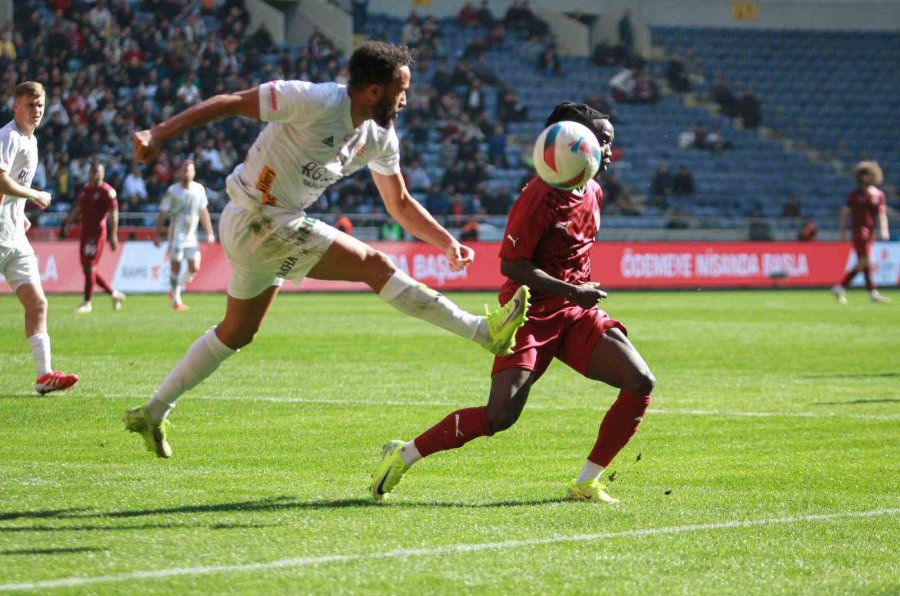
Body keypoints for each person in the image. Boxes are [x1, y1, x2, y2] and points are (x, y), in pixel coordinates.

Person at [124, 41, 529, 458]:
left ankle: (152, 411)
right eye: (400, 89)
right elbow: (230, 102)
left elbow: (400, 203)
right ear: (373, 90)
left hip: (269, 225)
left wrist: (446, 241)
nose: (406, 99)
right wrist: (158, 133)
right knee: (375, 265)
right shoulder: (313, 100)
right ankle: (482, 332)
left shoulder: (379, 136)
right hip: (258, 218)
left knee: (238, 332)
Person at [371, 102, 655, 504]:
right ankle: (404, 453)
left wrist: (576, 295)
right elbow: (512, 265)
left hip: (575, 313)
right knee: (499, 417)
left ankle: (586, 482)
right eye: (604, 142)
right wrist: (573, 290)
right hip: (530, 316)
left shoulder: (594, 190)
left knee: (640, 381)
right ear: (577, 144)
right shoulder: (539, 196)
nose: (610, 151)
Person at [0, 82, 79, 395]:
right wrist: (33, 195)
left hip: (14, 237)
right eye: (30, 104)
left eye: (40, 106)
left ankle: (44, 375)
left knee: (37, 303)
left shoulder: (31, 142)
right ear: (15, 106)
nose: (36, 111)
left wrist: (19, 212)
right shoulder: (9, 137)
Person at [63, 162, 126, 314]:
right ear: (90, 173)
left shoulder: (107, 191)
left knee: (90, 266)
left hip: (97, 233)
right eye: (95, 172)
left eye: (100, 172)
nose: (97, 175)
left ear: (103, 174)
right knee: (87, 268)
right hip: (85, 232)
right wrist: (67, 223)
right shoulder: (86, 189)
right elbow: (78, 208)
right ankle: (114, 294)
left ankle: (87, 302)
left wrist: (113, 235)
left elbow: (114, 214)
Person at [154, 159, 215, 311]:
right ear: (180, 172)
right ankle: (176, 300)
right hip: (177, 236)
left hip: (192, 236)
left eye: (190, 170)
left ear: (194, 172)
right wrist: (158, 234)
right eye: (184, 170)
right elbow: (162, 212)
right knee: (176, 266)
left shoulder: (199, 189)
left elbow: (203, 211)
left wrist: (209, 232)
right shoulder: (173, 191)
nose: (187, 173)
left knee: (194, 267)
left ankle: (176, 289)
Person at [832, 161, 891, 304]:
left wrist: (883, 229)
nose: (869, 177)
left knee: (864, 262)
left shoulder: (878, 194)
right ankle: (855, 288)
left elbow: (881, 214)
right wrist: (842, 232)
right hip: (858, 231)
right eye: (866, 175)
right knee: (866, 260)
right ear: (861, 176)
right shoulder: (854, 195)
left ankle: (843, 287)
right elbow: (844, 213)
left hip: (870, 232)